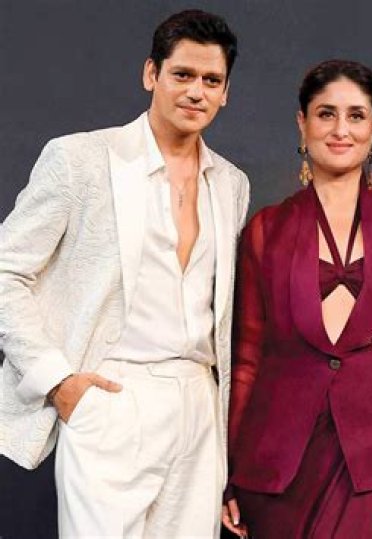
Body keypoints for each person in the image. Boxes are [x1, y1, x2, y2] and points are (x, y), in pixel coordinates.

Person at [0, 10, 249, 538]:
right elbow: (5, 271)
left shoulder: (231, 183)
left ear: (226, 93)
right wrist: (57, 381)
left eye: (211, 81)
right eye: (182, 75)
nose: (196, 92)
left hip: (200, 405)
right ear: (151, 74)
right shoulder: (81, 159)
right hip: (112, 395)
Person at [221, 59, 372, 538]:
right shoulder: (266, 230)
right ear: (302, 122)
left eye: (356, 115)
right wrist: (228, 471)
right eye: (326, 114)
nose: (341, 129)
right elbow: (247, 358)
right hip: (281, 470)